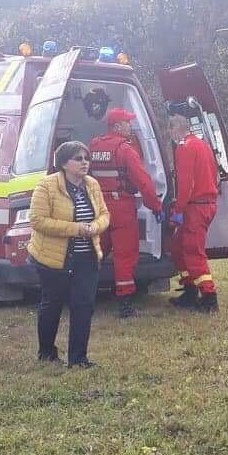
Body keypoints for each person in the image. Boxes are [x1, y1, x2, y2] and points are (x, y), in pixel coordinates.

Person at [29, 141, 111, 366]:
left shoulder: (92, 184)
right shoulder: (46, 185)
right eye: (78, 158)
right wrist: (75, 229)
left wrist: (95, 226)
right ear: (64, 163)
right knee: (52, 305)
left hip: (87, 258)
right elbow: (37, 220)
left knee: (84, 306)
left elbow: (104, 214)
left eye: (86, 158)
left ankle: (78, 359)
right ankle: (47, 353)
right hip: (53, 258)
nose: (85, 163)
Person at [89, 107, 163, 318]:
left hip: (99, 207)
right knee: (125, 256)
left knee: (95, 253)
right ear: (118, 126)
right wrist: (156, 206)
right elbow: (144, 182)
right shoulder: (125, 150)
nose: (130, 126)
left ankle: (85, 295)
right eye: (127, 122)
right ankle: (125, 304)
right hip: (121, 208)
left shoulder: (94, 146)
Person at [166, 104, 221, 313]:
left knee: (192, 252)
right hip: (205, 204)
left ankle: (209, 297)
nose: (170, 136)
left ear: (174, 130)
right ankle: (189, 290)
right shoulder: (203, 145)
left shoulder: (184, 147)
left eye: (169, 132)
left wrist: (178, 210)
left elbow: (185, 184)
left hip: (195, 207)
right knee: (178, 248)